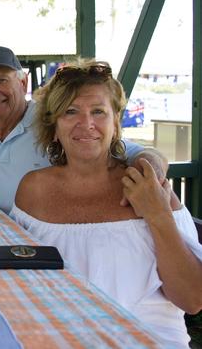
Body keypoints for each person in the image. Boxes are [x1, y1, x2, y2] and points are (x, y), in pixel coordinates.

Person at [12, 59, 202, 347]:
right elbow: (20, 280)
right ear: (53, 126)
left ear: (116, 121)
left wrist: (157, 214)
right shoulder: (33, 190)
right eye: (70, 111)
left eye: (98, 111)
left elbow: (192, 299)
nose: (86, 124)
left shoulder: (146, 186)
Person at [0, 45, 167, 214]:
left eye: (2, 80)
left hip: (64, 246)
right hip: (13, 252)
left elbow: (143, 154)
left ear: (23, 84)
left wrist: (150, 182)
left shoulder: (56, 121)